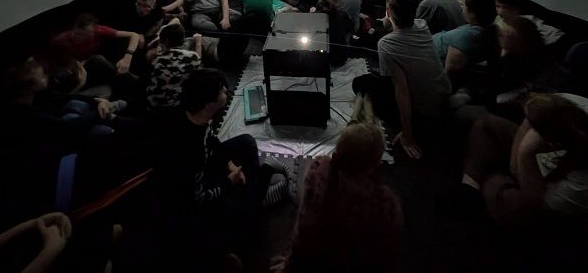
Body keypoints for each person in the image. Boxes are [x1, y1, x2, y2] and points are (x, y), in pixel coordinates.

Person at [460, 93, 588, 262]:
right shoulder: (573, 105)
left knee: (509, 204)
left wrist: (525, 154)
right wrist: (517, 164)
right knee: (487, 124)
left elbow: (535, 200)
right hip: (555, 165)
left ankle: (487, 181)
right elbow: (529, 119)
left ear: (551, 141)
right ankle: (470, 184)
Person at [156, 69, 275, 267]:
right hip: (194, 206)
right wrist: (229, 182)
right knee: (245, 211)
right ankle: (256, 199)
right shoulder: (191, 151)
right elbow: (199, 199)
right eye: (221, 90)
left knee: (246, 141)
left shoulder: (193, 115)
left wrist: (229, 164)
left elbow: (212, 141)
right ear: (209, 103)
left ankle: (254, 192)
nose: (226, 91)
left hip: (208, 167)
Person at [273, 123, 404, 273]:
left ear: (336, 155)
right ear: (375, 164)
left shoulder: (319, 179)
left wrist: (291, 265)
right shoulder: (386, 204)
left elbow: (304, 232)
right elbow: (390, 256)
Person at [353, 0, 451, 159]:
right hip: (442, 96)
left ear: (388, 13)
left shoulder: (386, 44)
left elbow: (401, 89)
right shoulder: (422, 25)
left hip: (422, 110)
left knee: (360, 83)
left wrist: (408, 134)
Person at [433, 0, 498, 87]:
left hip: (426, 57)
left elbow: (451, 71)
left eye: (464, 7)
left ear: (473, 13)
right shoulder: (487, 27)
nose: (462, 9)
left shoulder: (466, 38)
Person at [51, 13, 142, 76]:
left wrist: (127, 58)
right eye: (76, 33)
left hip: (92, 63)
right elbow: (54, 58)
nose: (78, 38)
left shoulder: (100, 31)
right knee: (98, 59)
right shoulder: (61, 39)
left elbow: (134, 35)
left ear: (93, 32)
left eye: (84, 35)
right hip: (73, 67)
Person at [145, 24, 202, 109]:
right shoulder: (192, 56)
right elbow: (199, 69)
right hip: (178, 106)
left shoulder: (156, 58)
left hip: (153, 104)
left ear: (165, 41)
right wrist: (198, 43)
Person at [494, 0, 565, 48]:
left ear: (515, 8)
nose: (500, 11)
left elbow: (556, 34)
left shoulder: (528, 20)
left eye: (505, 7)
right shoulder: (498, 19)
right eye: (497, 6)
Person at [314, 0, 352, 67]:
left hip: (322, 59)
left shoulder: (315, 18)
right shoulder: (343, 15)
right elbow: (349, 31)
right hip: (341, 57)